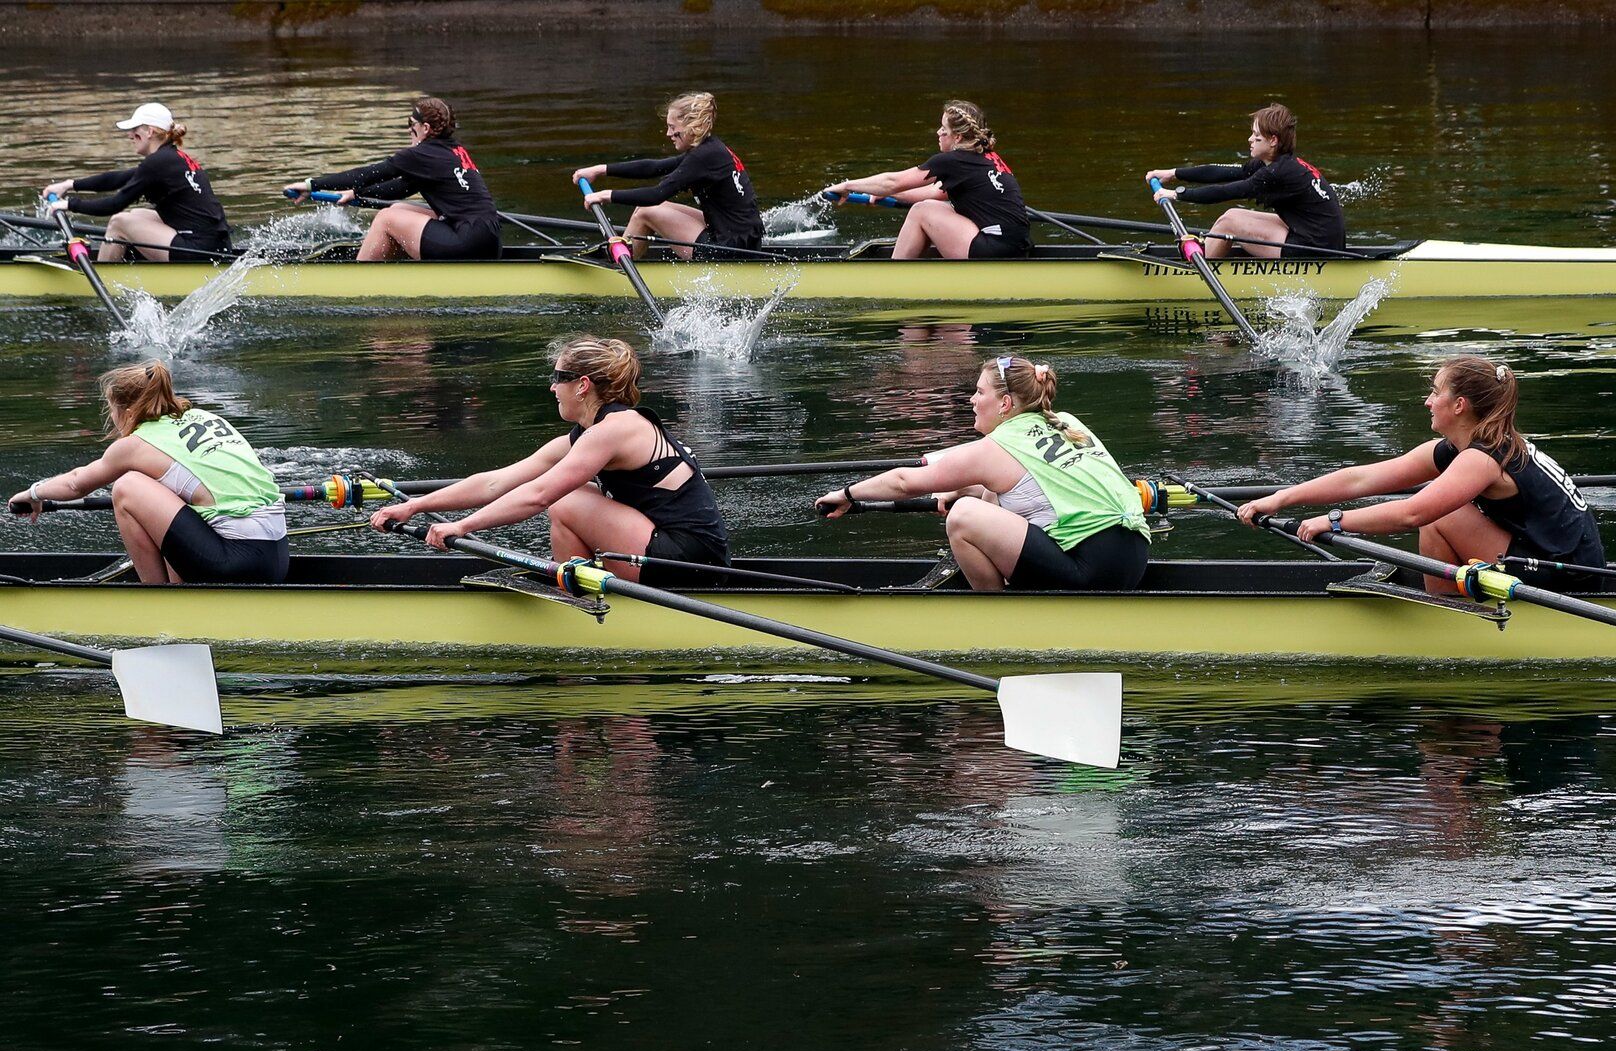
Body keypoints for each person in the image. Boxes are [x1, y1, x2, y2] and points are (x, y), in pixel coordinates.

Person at [369, 337, 730, 585]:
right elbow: (497, 481)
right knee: (577, 492)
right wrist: (415, 506)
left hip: (691, 560)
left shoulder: (615, 429)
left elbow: (539, 496)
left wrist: (462, 527)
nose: (552, 388)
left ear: (582, 385)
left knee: (566, 498)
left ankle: (577, 595)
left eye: (558, 378)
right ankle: (578, 584)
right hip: (665, 552)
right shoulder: (586, 436)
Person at [1237, 355, 1604, 596]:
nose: (1428, 401)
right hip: (1551, 555)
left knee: (1439, 515)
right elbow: (1361, 479)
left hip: (1568, 577)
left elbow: (1411, 514)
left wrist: (1333, 521)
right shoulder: (1464, 446)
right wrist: (1281, 498)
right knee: (1439, 509)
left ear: (1459, 406)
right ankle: (1460, 593)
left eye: (1435, 392)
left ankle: (1447, 617)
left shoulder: (1483, 458)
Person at [816, 355, 1149, 591]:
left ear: (1005, 404)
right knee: (974, 501)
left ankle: (994, 616)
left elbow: (904, 482)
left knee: (962, 518)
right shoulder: (1067, 422)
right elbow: (1027, 487)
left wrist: (846, 494)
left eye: (980, 392)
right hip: (1132, 559)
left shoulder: (997, 447)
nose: (972, 401)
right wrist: (965, 489)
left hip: (1090, 570)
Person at [9, 361, 287, 585]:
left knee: (127, 486)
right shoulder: (207, 418)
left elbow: (75, 484)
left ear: (128, 411)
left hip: (236, 564)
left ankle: (155, 596)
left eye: (111, 409)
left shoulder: (135, 446)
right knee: (165, 485)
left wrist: (33, 493)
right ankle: (179, 587)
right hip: (277, 559)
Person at [286, 97, 503, 262]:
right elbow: (400, 188)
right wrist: (356, 195)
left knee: (386, 218)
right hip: (490, 240)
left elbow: (367, 173)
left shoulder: (421, 154)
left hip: (466, 243)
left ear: (425, 129)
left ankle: (357, 276)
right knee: (399, 208)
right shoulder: (454, 151)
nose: (410, 133)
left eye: (411, 127)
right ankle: (389, 261)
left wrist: (311, 184)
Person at [825, 100, 1030, 261]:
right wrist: (881, 193)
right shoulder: (988, 158)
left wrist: (847, 185)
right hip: (1017, 245)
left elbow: (893, 181)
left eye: (943, 129)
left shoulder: (953, 161)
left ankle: (892, 277)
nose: (938, 133)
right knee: (932, 206)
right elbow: (932, 194)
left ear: (957, 137)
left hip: (995, 249)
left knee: (921, 212)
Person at [572, 91, 763, 261]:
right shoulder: (710, 149)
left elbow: (656, 194)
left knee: (647, 211)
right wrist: (598, 170)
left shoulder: (704, 156)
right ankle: (625, 254)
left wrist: (604, 195)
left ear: (692, 126)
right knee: (646, 208)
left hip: (730, 250)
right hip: (742, 240)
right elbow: (654, 168)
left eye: (673, 128)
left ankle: (621, 266)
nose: (668, 133)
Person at [1145, 103, 1344, 260]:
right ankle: (1207, 253)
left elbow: (1227, 192)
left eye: (1256, 135)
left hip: (1317, 250)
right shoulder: (1276, 164)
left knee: (1229, 223)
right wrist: (1173, 173)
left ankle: (1200, 272)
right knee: (1232, 214)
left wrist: (1176, 195)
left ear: (1273, 140)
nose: (1250, 139)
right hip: (1320, 239)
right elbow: (1223, 173)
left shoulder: (1278, 172)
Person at [42, 102, 233, 263]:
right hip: (216, 245)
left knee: (119, 222)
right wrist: (68, 185)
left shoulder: (157, 163)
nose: (130, 135)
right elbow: (117, 179)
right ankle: (123, 257)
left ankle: (103, 279)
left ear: (149, 131)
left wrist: (68, 204)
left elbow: (115, 204)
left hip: (200, 251)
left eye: (135, 130)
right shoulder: (173, 158)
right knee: (137, 214)